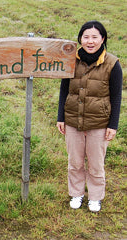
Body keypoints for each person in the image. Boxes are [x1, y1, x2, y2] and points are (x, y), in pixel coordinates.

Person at [56, 20, 122, 213]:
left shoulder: (112, 64)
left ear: (102, 39)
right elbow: (64, 90)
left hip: (99, 123)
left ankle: (95, 197)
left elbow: (117, 97)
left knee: (96, 163)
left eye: (95, 37)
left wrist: (113, 125)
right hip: (73, 120)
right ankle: (77, 193)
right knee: (75, 162)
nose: (90, 41)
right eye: (86, 37)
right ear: (80, 39)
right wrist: (61, 117)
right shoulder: (71, 60)